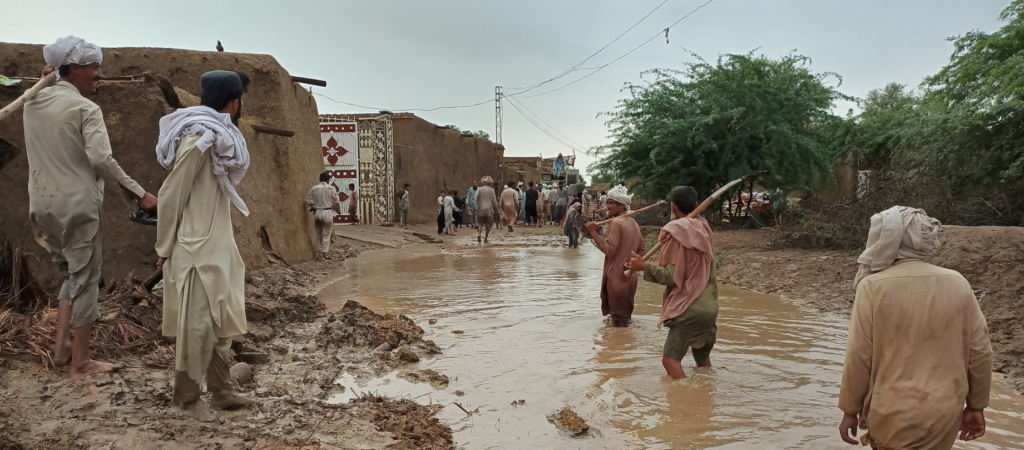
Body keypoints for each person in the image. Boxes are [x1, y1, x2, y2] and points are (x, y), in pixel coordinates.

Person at [26, 36, 158, 379]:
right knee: (85, 280)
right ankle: (81, 363)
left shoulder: (33, 102)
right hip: (77, 206)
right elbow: (100, 158)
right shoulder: (86, 109)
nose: (100, 75)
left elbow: (45, 86)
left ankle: (61, 350)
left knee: (70, 275)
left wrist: (50, 76)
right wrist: (139, 192)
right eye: (95, 67)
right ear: (75, 69)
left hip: (41, 206)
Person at [838, 206, 992, 449]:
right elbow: (980, 351)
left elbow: (859, 356)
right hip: (945, 411)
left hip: (891, 411)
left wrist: (850, 410)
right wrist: (976, 405)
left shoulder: (872, 287)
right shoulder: (958, 283)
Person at [155, 70, 254, 409]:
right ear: (234, 103)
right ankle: (185, 395)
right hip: (196, 247)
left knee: (222, 323)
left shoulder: (221, 140)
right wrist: (164, 247)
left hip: (219, 246)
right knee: (197, 327)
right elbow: (171, 194)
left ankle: (222, 391)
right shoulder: (200, 139)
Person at [626, 186, 717, 380]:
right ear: (696, 206)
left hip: (690, 308)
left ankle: (687, 404)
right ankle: (708, 393)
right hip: (710, 306)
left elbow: (671, 276)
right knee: (702, 360)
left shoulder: (677, 234)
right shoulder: (703, 229)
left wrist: (644, 267)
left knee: (670, 361)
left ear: (673, 208)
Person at [584, 185, 645, 327]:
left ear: (622, 205)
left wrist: (593, 233)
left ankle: (618, 348)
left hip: (617, 278)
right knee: (624, 320)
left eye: (611, 203)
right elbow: (642, 251)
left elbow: (609, 251)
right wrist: (631, 263)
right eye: (608, 203)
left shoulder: (616, 223)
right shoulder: (633, 222)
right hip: (630, 278)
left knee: (619, 324)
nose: (607, 206)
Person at [305, 172, 342, 260]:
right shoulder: (331, 188)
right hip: (327, 212)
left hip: (317, 213)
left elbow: (307, 200)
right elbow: (336, 202)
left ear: (319, 179)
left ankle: (319, 253)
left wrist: (313, 206)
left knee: (319, 234)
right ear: (328, 180)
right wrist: (338, 211)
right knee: (326, 234)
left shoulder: (314, 188)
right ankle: (324, 254)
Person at [475, 176, 499, 243]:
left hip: (481, 210)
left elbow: (475, 198)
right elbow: (494, 201)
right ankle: (485, 238)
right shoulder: (492, 190)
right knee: (488, 225)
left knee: (480, 223)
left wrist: (476, 208)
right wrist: (496, 210)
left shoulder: (479, 189)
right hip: (489, 210)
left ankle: (479, 234)